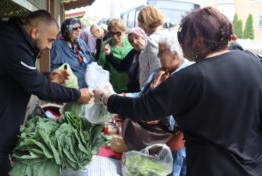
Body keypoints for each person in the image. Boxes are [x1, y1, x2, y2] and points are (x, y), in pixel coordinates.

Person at [95, 7, 262, 176]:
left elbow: (143, 108)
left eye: (183, 37)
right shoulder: (254, 62)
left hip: (211, 168)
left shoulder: (192, 76)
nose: (181, 44)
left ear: (197, 41)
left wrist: (107, 98)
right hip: (252, 167)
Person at [0, 10, 93, 176]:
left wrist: (48, 77)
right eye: (50, 40)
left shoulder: (14, 42)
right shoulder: (12, 47)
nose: (50, 47)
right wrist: (77, 94)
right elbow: (39, 88)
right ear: (35, 31)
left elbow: (21, 77)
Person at [122, 30, 192, 176]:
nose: (158, 55)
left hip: (174, 143)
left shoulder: (189, 76)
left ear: (175, 53)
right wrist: (121, 97)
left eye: (161, 52)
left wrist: (160, 115)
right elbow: (142, 96)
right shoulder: (158, 72)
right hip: (154, 138)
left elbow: (191, 117)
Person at [51, 18, 94, 88]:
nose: (78, 30)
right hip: (72, 90)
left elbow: (91, 59)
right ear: (67, 30)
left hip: (87, 87)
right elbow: (54, 70)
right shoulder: (57, 46)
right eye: (75, 28)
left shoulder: (81, 43)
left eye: (80, 27)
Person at [104, 27, 147, 92]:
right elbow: (121, 66)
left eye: (137, 38)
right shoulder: (134, 53)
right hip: (133, 93)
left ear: (143, 37)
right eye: (132, 41)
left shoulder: (152, 53)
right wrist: (109, 54)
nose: (135, 42)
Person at [98, 18, 133, 93]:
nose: (115, 36)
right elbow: (101, 66)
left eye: (118, 33)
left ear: (124, 31)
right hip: (114, 86)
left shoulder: (132, 41)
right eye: (111, 33)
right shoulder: (106, 44)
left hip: (131, 85)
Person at [137, 5, 165, 88]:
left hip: (151, 90)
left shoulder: (152, 40)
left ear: (145, 21)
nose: (139, 26)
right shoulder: (168, 35)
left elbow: (157, 70)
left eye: (140, 22)